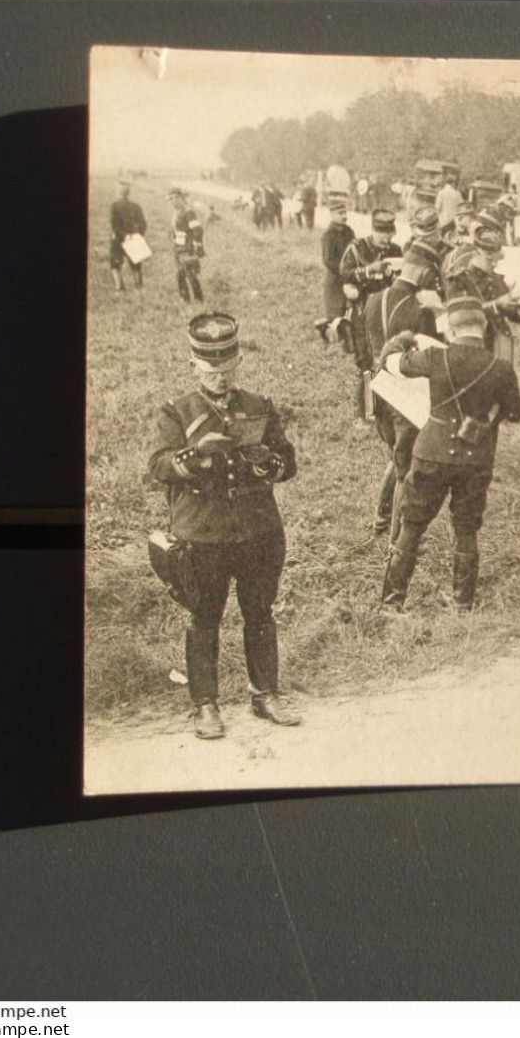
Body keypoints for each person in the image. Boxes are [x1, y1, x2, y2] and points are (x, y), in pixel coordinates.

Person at [149, 313, 299, 739]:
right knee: (204, 618)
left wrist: (268, 461)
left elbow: (288, 463)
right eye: (211, 370)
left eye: (227, 369)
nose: (220, 378)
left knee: (261, 614)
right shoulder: (176, 411)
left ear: (237, 364)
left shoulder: (259, 407)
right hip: (203, 535)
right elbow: (158, 465)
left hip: (257, 530)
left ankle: (265, 695)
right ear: (194, 365)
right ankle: (205, 706)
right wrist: (194, 457)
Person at [380, 302, 520, 612]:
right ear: (483, 328)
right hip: (476, 458)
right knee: (466, 529)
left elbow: (394, 365)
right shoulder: (501, 368)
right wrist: (488, 417)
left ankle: (392, 603)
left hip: (432, 453)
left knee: (412, 526)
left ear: (453, 329)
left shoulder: (436, 357)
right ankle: (462, 605)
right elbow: (516, 412)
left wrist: (400, 342)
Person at [365, 240, 443, 537]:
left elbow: (364, 350)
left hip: (377, 387)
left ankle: (380, 520)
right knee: (405, 467)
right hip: (407, 396)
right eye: (430, 274)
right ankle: (396, 545)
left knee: (396, 457)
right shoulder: (421, 311)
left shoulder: (373, 299)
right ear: (422, 272)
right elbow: (431, 356)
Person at [338, 208, 403, 421]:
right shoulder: (357, 250)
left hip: (388, 312)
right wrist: (369, 271)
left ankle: (389, 408)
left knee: (389, 358)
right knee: (366, 361)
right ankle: (365, 413)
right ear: (374, 230)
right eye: (383, 234)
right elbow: (344, 274)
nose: (387, 239)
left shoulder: (396, 250)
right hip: (362, 313)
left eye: (390, 234)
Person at [445, 212, 520, 358]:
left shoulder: (494, 278)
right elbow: (459, 313)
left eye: (495, 258)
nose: (494, 263)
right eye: (489, 258)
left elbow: (510, 311)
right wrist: (497, 305)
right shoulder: (462, 280)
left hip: (499, 346)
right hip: (474, 345)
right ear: (475, 253)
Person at [315, 196, 356, 342]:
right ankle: (325, 330)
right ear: (332, 215)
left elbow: (354, 250)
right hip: (335, 278)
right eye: (340, 213)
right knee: (335, 311)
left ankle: (344, 337)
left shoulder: (349, 232)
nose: (344, 216)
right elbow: (328, 260)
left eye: (345, 213)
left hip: (348, 276)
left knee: (349, 309)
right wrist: (343, 270)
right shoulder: (329, 235)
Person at [108, 179, 147, 291]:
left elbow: (114, 225)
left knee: (115, 264)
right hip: (134, 238)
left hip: (118, 239)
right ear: (128, 192)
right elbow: (143, 224)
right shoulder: (136, 206)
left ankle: (119, 287)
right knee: (136, 264)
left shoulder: (114, 206)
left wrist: (124, 235)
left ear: (118, 192)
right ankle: (138, 288)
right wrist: (137, 235)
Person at [168, 188, 206, 305]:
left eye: (173, 199)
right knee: (180, 275)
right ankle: (185, 300)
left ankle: (199, 300)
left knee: (191, 275)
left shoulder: (188, 212)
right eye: (169, 199)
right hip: (178, 248)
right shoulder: (176, 213)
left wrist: (196, 246)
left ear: (179, 198)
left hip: (188, 248)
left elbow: (197, 230)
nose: (171, 202)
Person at [435, 172, 463, 237]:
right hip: (453, 222)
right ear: (453, 183)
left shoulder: (441, 193)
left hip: (443, 221)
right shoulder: (457, 194)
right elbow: (462, 208)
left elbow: (437, 208)